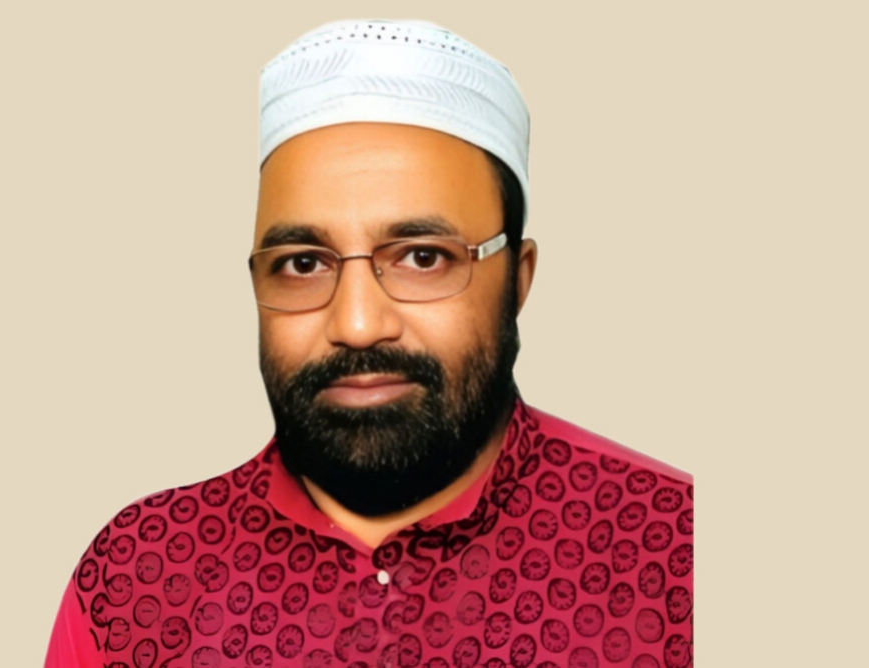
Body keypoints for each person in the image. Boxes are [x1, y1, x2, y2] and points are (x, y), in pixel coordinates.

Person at [45, 19, 693, 668]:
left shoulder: (676, 555)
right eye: (303, 263)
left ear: (517, 281)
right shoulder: (138, 579)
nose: (356, 325)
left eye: (422, 257)